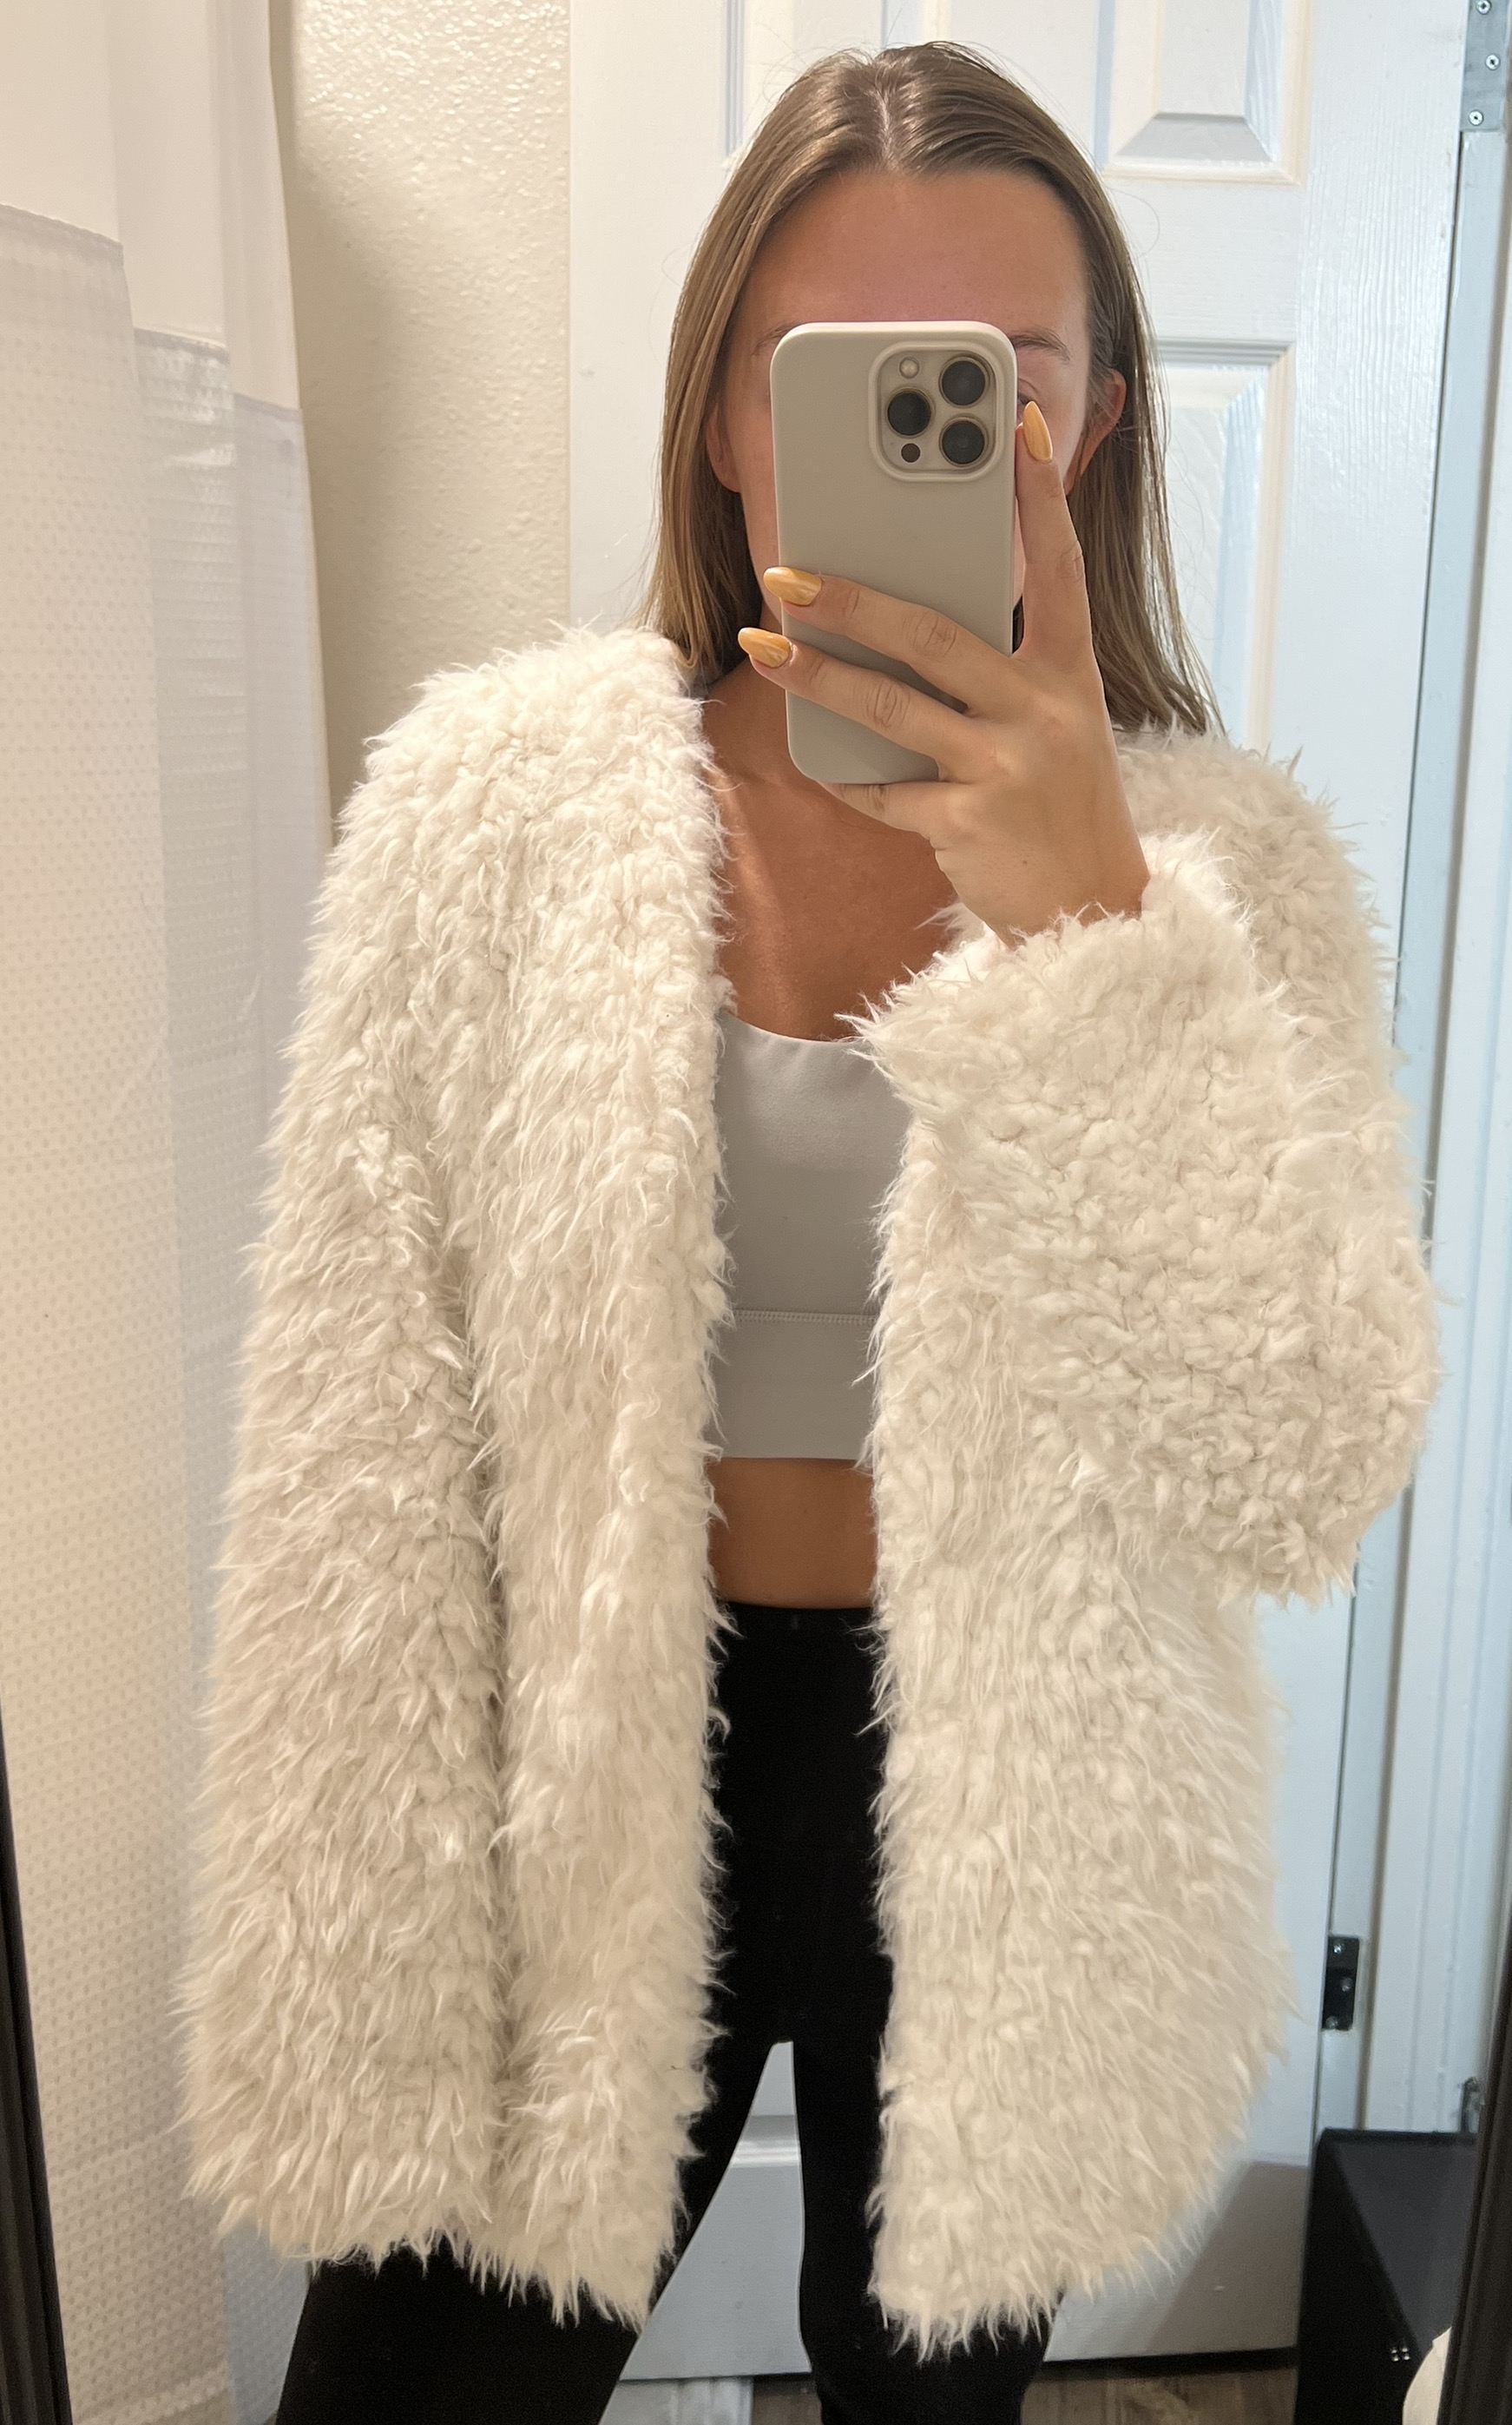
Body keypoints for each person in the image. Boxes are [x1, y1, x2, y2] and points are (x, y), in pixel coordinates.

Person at [170, 40, 1444, 2425]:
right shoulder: (491, 815)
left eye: (996, 375)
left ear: (1092, 420)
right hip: (588, 1756)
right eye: (834, 372)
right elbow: (355, 1441)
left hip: (1008, 1794)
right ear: (732, 420)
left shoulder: (1229, 873)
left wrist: (1090, 931)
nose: (928, 428)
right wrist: (354, 1930)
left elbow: (1296, 1461)